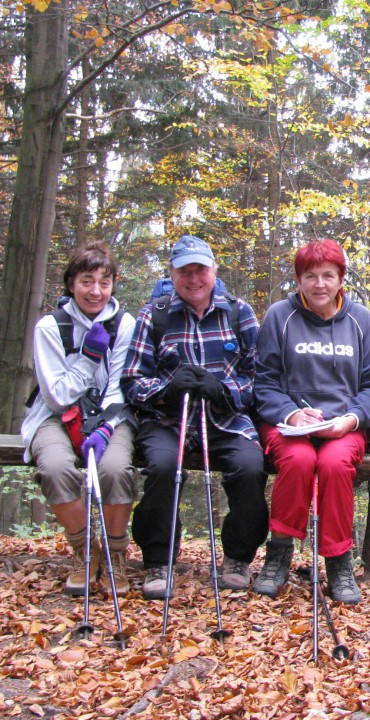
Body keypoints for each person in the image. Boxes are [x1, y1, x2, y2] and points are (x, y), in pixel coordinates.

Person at [122, 234, 268, 600]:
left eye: (200, 270)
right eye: (184, 271)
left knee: (250, 466)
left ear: (213, 271)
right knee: (160, 466)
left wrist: (226, 391)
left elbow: (262, 378)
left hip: (226, 420)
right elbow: (132, 382)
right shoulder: (153, 314)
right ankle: (158, 559)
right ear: (172, 275)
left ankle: (237, 557)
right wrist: (166, 389)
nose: (193, 278)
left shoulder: (239, 312)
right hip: (169, 421)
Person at [252, 239, 370, 604]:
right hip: (289, 423)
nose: (319, 285)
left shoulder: (361, 320)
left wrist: (351, 419)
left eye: (328, 276)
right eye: (310, 276)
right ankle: (278, 556)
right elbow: (263, 381)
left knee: (332, 464)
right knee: (298, 461)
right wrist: (292, 413)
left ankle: (339, 563)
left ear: (340, 279)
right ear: (298, 279)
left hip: (343, 425)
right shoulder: (279, 317)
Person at [21, 242, 138, 596]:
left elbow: (121, 384)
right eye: (87, 281)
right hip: (55, 417)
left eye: (104, 282)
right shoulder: (49, 327)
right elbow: (55, 395)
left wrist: (105, 425)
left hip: (110, 417)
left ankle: (115, 554)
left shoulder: (125, 323)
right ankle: (86, 551)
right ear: (71, 283)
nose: (96, 291)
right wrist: (88, 358)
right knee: (55, 467)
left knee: (115, 469)